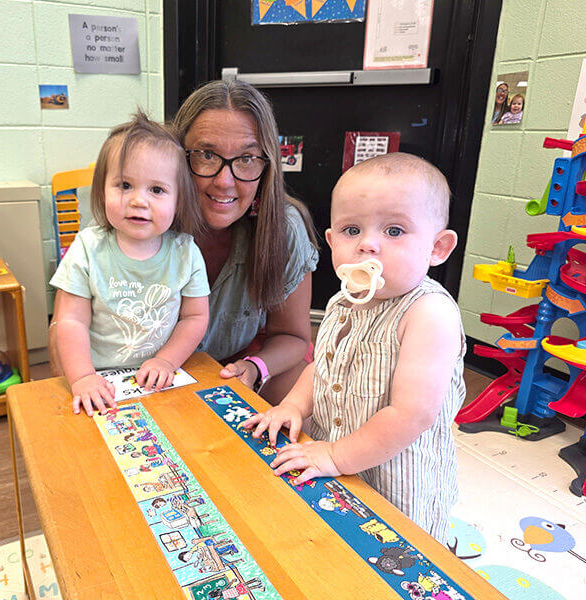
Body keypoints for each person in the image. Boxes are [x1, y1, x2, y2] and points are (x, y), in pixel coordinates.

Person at [242, 152, 465, 544]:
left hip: (397, 484)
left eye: (394, 231)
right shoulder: (344, 302)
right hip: (335, 461)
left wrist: (335, 456)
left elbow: (412, 414)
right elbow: (323, 365)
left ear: (438, 248)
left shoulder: (429, 314)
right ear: (330, 241)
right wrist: (293, 406)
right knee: (337, 542)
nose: (368, 245)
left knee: (394, 557)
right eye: (351, 230)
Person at [49, 111, 210, 415]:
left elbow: (195, 318)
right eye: (124, 185)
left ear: (179, 200)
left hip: (160, 378)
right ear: (102, 189)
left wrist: (167, 360)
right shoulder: (87, 247)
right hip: (97, 378)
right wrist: (82, 376)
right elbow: (71, 321)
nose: (139, 200)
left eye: (157, 190)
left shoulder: (186, 252)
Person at [173, 80, 319, 405]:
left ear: (267, 166)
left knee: (298, 399)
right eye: (207, 155)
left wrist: (254, 368)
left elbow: (293, 337)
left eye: (247, 159)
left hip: (237, 366)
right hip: (150, 370)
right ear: (178, 157)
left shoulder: (284, 228)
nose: (225, 181)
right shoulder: (142, 217)